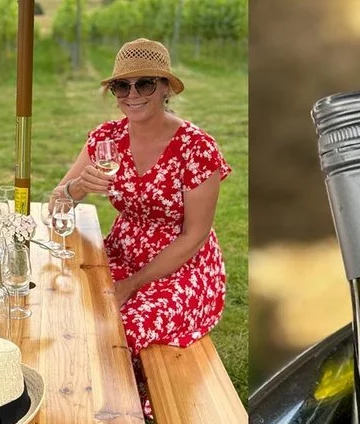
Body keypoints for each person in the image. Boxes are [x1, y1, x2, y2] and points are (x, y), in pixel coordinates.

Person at [55, 38, 230, 360]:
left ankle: (130, 405)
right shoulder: (106, 138)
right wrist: (77, 189)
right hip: (123, 249)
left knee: (123, 328)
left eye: (144, 84)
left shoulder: (197, 147)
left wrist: (132, 284)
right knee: (67, 300)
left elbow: (195, 235)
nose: (132, 95)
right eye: (122, 86)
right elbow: (56, 205)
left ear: (166, 88)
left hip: (182, 266)